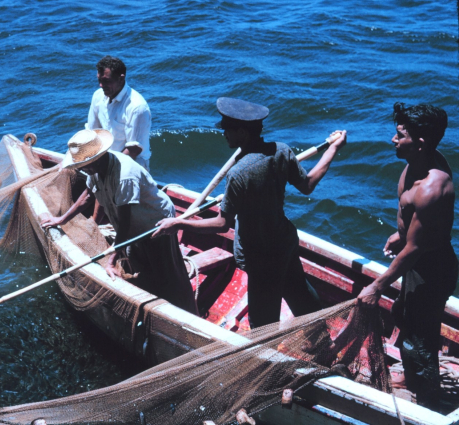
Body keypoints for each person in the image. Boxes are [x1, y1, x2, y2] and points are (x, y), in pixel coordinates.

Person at [153, 98, 346, 328]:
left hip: (261, 257)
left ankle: (269, 356)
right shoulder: (281, 151)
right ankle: (320, 337)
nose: (221, 129)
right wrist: (333, 149)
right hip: (284, 242)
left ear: (243, 133)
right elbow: (307, 185)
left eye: (226, 126)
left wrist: (178, 224)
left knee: (263, 323)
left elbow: (222, 224)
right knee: (300, 293)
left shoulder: (238, 174)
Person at [357, 102, 457, 409]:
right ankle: (417, 378)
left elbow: (415, 248)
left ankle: (427, 397)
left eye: (400, 135)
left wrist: (376, 286)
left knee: (418, 336)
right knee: (403, 314)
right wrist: (400, 234)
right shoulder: (416, 161)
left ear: (421, 142)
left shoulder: (431, 187)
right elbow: (412, 232)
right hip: (418, 261)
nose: (392, 139)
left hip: (432, 269)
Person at [41, 129, 198, 315]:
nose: (82, 170)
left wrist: (112, 260)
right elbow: (88, 195)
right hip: (133, 226)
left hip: (156, 223)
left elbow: (126, 224)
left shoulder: (125, 176)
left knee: (169, 273)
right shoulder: (95, 169)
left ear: (96, 159)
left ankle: (187, 311)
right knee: (141, 265)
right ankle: (154, 301)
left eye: (84, 166)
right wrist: (61, 219)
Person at [86, 55, 152, 171]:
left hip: (133, 165)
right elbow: (92, 133)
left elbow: (133, 150)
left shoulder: (137, 107)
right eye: (99, 80)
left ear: (121, 79)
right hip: (106, 160)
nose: (101, 85)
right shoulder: (98, 96)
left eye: (106, 81)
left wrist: (105, 169)